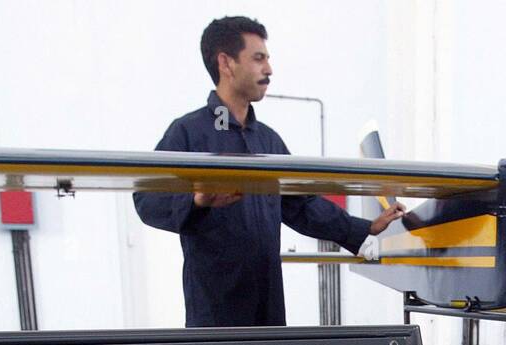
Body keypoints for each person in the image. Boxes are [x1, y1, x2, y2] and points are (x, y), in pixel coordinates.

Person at [133, 15, 404, 327]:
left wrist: (363, 228)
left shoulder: (268, 141)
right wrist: (196, 201)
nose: (269, 70)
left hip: (269, 305)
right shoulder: (189, 133)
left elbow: (301, 205)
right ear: (226, 63)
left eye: (268, 59)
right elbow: (146, 198)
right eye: (258, 58)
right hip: (215, 311)